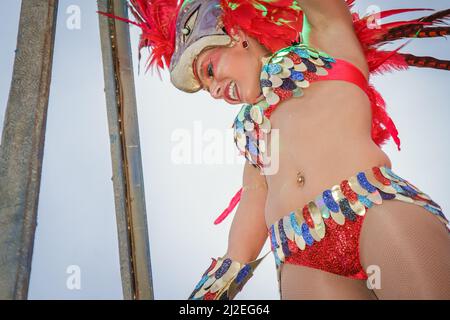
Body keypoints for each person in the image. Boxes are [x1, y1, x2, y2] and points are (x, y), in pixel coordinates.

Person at [107, 0, 450, 299]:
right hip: (301, 255)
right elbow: (253, 200)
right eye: (206, 86)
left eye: (210, 70)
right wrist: (211, 292)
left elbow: (324, 10)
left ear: (237, 36)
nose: (213, 90)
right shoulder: (251, 130)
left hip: (373, 211)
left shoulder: (324, 48)